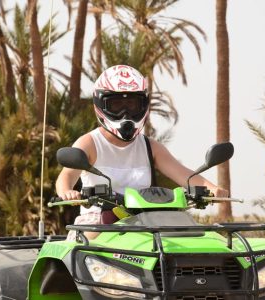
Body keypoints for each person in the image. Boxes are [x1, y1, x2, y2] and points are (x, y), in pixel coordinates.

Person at [55, 65, 229, 240]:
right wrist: (67, 191)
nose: (126, 113)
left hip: (144, 222)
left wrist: (213, 189)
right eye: (116, 105)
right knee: (89, 243)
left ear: (144, 105)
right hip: (97, 222)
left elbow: (185, 175)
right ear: (100, 104)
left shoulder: (150, 146)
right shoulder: (90, 143)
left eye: (132, 104)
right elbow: (67, 176)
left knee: (192, 240)